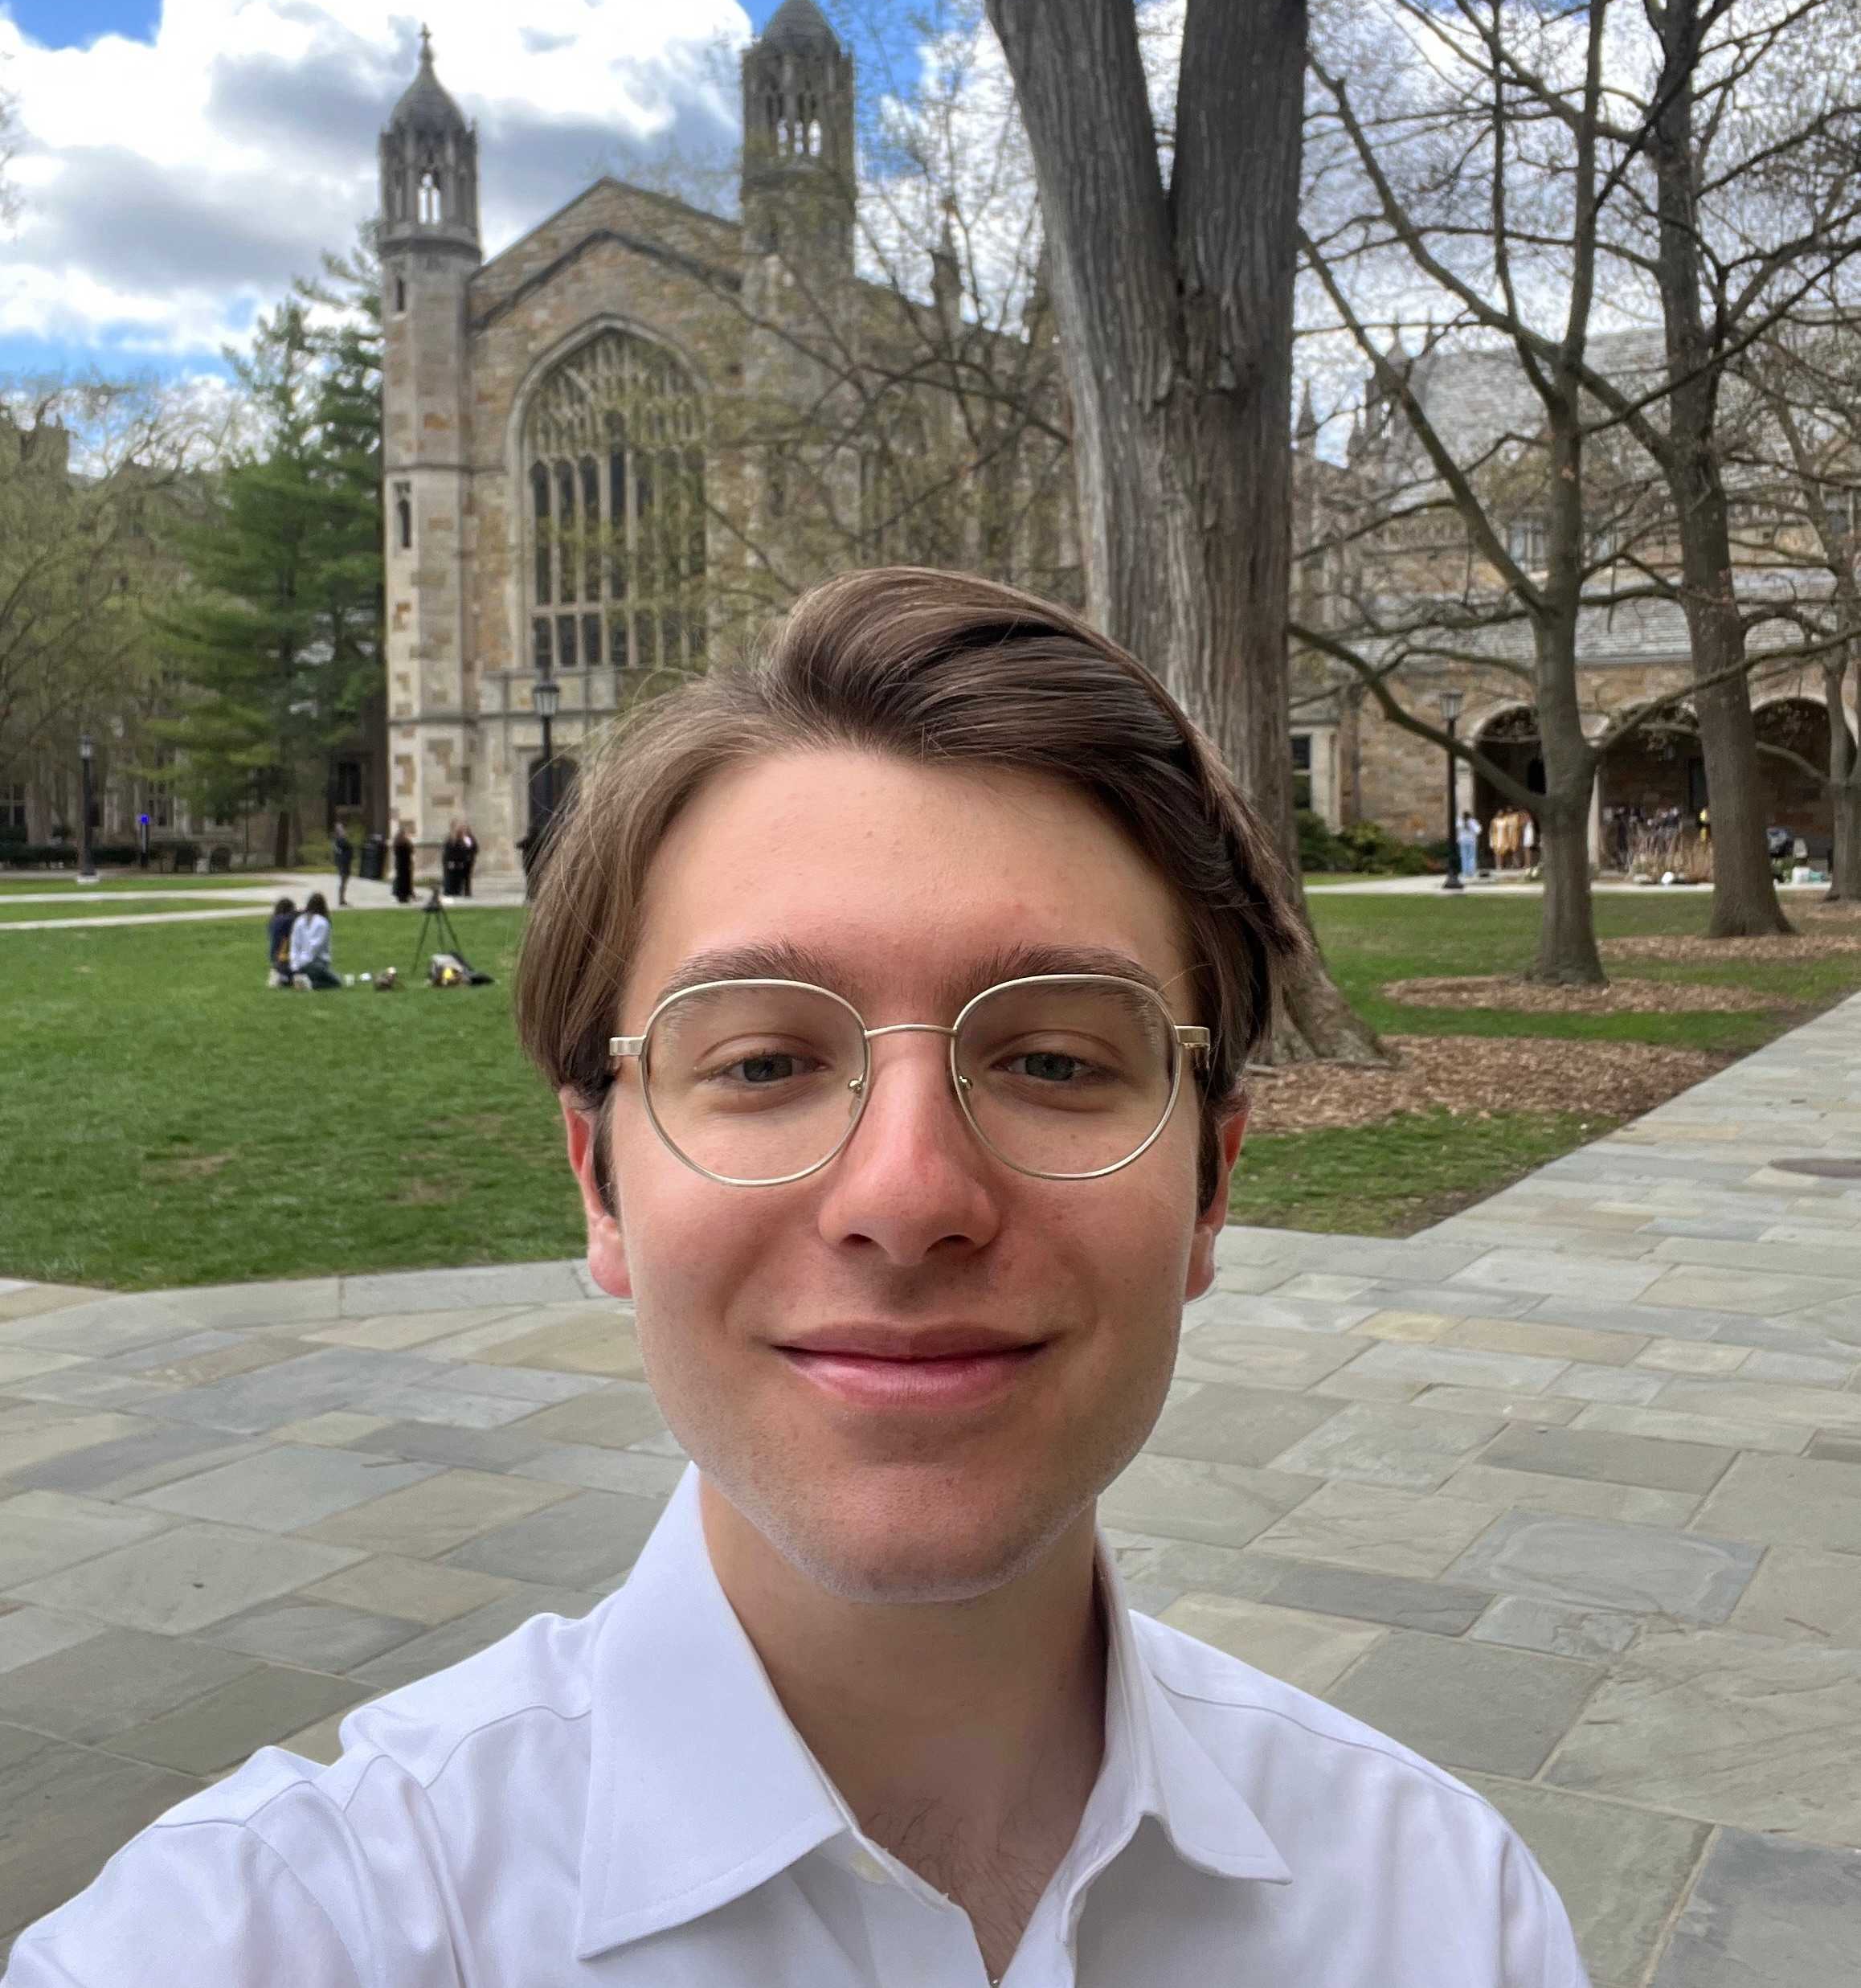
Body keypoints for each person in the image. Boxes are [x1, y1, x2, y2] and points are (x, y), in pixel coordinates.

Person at [3, 571, 1587, 1987]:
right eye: (762, 1058)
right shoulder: (281, 1932)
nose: (906, 1195)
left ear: (1212, 1185)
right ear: (600, 1179)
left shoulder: (1444, 1911)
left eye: (1052, 1055)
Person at [287, 890, 342, 990]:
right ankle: (310, 984)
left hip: (297, 964)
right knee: (337, 983)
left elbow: (295, 945)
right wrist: (303, 965)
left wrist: (295, 966)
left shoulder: (299, 921)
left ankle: (295, 979)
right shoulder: (322, 923)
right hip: (315, 964)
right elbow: (314, 948)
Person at [264, 895, 296, 988]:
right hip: (284, 957)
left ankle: (280, 974)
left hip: (274, 957)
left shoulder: (273, 920)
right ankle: (283, 976)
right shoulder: (287, 920)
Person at [391, 819, 415, 905]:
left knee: (400, 879)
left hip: (400, 864)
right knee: (404, 881)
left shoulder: (397, 842)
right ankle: (404, 896)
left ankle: (401, 895)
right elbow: (412, 850)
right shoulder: (404, 843)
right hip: (405, 864)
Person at [332, 817, 354, 909]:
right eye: (341, 829)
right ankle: (341, 900)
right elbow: (341, 851)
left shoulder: (341, 840)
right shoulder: (340, 840)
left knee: (344, 882)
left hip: (345, 863)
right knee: (343, 881)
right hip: (343, 864)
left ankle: (342, 899)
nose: (343, 830)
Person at [1456, 808, 1480, 881]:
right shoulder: (1472, 822)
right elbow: (1478, 830)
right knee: (1471, 857)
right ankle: (1471, 872)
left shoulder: (1460, 821)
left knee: (1464, 856)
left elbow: (1457, 827)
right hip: (1471, 841)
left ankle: (1465, 872)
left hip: (1463, 841)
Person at [459, 819, 479, 896]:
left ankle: (467, 892)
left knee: (467, 877)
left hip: (468, 860)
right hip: (461, 860)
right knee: (462, 877)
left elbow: (474, 848)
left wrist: (470, 855)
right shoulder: (460, 838)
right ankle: (462, 891)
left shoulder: (470, 838)